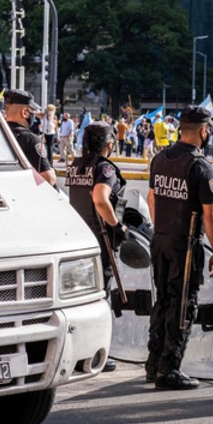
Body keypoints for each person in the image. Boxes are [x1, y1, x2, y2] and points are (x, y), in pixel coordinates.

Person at [145, 106, 213, 390]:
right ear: (203, 132)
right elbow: (210, 215)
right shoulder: (200, 166)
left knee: (163, 300)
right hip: (185, 244)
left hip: (161, 238)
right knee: (182, 305)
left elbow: (151, 200)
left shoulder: (160, 158)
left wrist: (161, 229)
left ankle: (154, 363)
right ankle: (169, 368)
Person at [66, 122, 126, 371]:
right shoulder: (104, 168)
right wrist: (117, 226)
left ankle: (80, 352)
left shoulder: (76, 165)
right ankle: (98, 353)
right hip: (99, 240)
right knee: (101, 297)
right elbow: (100, 199)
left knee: (80, 297)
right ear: (109, 145)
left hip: (78, 238)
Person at [3, 90, 56, 186]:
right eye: (33, 111)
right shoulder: (31, 139)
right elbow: (48, 179)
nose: (34, 115)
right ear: (25, 113)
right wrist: (52, 171)